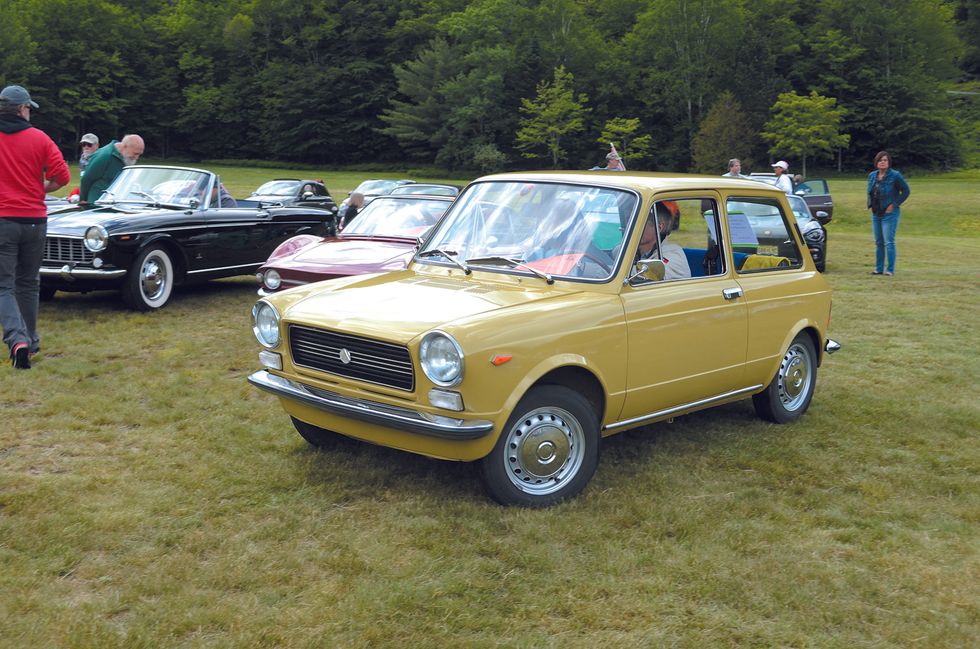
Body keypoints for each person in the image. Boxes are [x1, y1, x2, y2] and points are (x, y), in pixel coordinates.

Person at [0, 85, 70, 369]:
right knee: (28, 283)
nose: (29, 112)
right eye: (29, 107)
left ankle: (18, 340)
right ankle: (30, 341)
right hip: (34, 220)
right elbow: (62, 176)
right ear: (21, 109)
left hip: (3, 220)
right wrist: (40, 188)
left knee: (4, 285)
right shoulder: (39, 138)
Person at [867, 150, 910, 276]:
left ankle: (890, 269)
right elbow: (871, 192)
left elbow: (906, 191)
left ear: (889, 162)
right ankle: (878, 268)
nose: (882, 162)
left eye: (885, 160)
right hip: (876, 212)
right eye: (880, 160)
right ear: (876, 162)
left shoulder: (895, 175)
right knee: (879, 242)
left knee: (889, 242)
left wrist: (894, 204)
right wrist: (869, 204)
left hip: (890, 213)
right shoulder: (872, 175)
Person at [78, 133, 144, 205]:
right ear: (124, 146)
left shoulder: (125, 157)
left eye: (139, 154)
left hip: (117, 200)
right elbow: (87, 179)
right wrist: (83, 199)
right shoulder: (105, 156)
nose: (137, 157)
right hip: (98, 202)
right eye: (135, 153)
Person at [637, 202, 691, 281]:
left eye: (639, 223)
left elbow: (651, 276)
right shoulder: (626, 249)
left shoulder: (674, 257)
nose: (630, 227)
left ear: (658, 227)